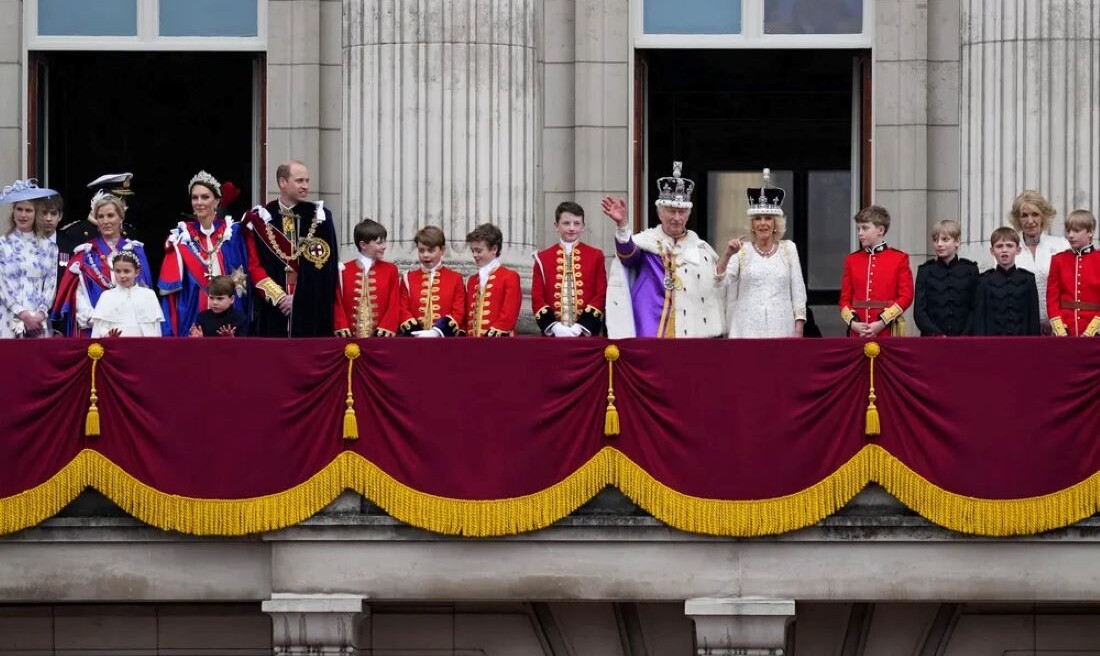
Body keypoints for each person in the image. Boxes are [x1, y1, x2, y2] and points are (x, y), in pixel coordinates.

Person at [602, 161, 726, 338]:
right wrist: (622, 226)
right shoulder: (647, 242)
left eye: (681, 212)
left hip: (691, 331)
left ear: (688, 215)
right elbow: (627, 256)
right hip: (652, 326)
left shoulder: (702, 250)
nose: (676, 217)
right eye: (671, 211)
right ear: (660, 213)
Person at [242, 160, 339, 337]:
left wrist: (298, 299)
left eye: (307, 181)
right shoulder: (260, 218)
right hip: (272, 310)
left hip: (310, 310)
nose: (305, 186)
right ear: (282, 182)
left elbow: (325, 269)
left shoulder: (320, 217)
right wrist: (279, 298)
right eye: (300, 181)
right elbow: (253, 265)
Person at [714, 169, 807, 338]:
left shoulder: (789, 249)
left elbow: (798, 292)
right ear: (752, 224)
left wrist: (798, 329)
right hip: (746, 328)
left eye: (768, 218)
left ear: (776, 223)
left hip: (781, 328)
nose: (763, 223)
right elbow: (720, 281)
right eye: (758, 218)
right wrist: (727, 254)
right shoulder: (741, 250)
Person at [158, 171, 251, 336]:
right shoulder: (182, 236)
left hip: (227, 315)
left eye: (205, 197)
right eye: (195, 198)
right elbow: (171, 293)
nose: (199, 202)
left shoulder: (232, 233)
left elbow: (243, 277)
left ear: (216, 201)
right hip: (193, 313)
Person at [53, 193, 153, 337]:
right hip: (94, 330)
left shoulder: (135, 251)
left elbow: (144, 292)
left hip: (130, 331)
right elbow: (78, 296)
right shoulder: (85, 253)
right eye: (101, 216)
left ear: (121, 218)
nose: (105, 221)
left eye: (110, 215)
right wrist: (99, 324)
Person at [531, 201, 607, 337]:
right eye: (566, 223)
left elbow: (601, 294)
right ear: (556, 226)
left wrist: (582, 326)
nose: (572, 228)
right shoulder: (542, 258)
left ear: (583, 226)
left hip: (586, 334)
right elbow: (537, 297)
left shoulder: (596, 256)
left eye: (577, 223)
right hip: (554, 335)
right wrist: (554, 327)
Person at [839, 205, 913, 338]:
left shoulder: (899, 258)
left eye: (865, 228)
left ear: (880, 230)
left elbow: (906, 296)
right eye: (858, 228)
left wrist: (882, 321)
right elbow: (844, 299)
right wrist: (853, 323)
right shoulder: (851, 260)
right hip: (857, 331)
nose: (860, 233)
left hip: (887, 329)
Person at [0, 179, 59, 338]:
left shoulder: (49, 247)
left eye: (28, 210)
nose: (23, 215)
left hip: (38, 321)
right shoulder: (2, 244)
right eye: (19, 209)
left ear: (36, 213)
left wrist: (39, 314)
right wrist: (22, 313)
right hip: (8, 317)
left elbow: (50, 285)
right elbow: (2, 285)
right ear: (13, 211)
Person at [1008, 190, 1069, 330]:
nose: (1030, 221)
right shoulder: (1009, 248)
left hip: (1059, 327)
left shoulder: (1061, 245)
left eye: (1035, 214)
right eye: (1024, 215)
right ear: (1018, 219)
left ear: (1044, 216)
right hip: (1021, 327)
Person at [333, 219, 401, 338]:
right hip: (348, 339)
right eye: (379, 243)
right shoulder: (343, 270)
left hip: (381, 339)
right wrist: (341, 325)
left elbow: (394, 302)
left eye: (384, 242)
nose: (384, 246)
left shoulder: (391, 270)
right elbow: (337, 302)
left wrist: (387, 327)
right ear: (363, 245)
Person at [913, 219, 979, 336]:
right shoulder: (925, 271)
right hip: (933, 339)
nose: (939, 244)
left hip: (964, 339)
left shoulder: (970, 270)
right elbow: (919, 311)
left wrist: (964, 335)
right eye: (935, 240)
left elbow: (975, 308)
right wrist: (937, 334)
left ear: (957, 241)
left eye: (945, 239)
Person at [398, 226, 466, 337]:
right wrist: (416, 332)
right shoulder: (407, 279)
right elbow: (403, 309)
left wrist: (437, 332)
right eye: (421, 250)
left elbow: (458, 312)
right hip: (414, 341)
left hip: (445, 342)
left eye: (431, 250)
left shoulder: (455, 278)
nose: (425, 255)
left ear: (442, 250)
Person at [973, 227, 1040, 336]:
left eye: (1009, 245)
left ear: (1018, 250)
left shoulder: (1028, 280)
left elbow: (1033, 319)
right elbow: (979, 319)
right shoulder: (984, 281)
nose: (1004, 250)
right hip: (993, 344)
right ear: (992, 251)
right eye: (999, 246)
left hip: (1022, 342)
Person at [56, 173, 139, 259]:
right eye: (120, 200)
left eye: (125, 200)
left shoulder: (129, 232)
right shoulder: (73, 233)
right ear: (98, 199)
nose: (124, 205)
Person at [85, 250, 163, 338]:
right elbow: (98, 330)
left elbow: (155, 330)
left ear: (137, 272)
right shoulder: (107, 296)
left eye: (126, 271)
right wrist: (107, 334)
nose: (122, 275)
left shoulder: (149, 295)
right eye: (118, 271)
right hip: (115, 348)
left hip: (142, 347)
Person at [1047, 210, 1100, 337]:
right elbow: (1052, 298)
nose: (1070, 235)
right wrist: (1059, 328)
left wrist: (1093, 329)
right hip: (1065, 329)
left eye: (1076, 231)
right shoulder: (1058, 260)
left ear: (1090, 232)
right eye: (1068, 231)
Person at [464, 223, 521, 337]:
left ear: (494, 249)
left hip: (500, 345)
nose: (474, 255)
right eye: (472, 251)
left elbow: (509, 316)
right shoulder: (471, 281)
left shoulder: (509, 277)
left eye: (479, 251)